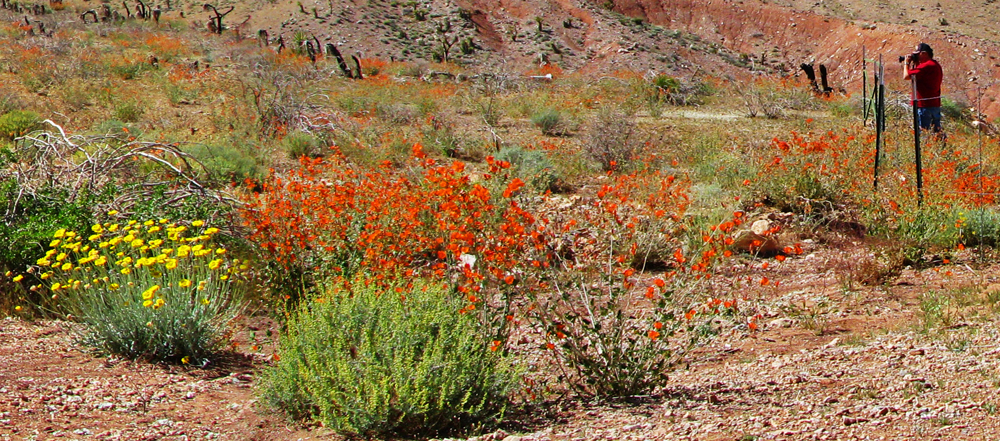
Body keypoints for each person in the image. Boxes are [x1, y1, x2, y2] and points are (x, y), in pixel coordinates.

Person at [902, 42, 943, 134]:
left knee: (924, 132)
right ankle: (940, 146)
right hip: (934, 104)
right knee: (936, 131)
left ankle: (926, 147)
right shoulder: (934, 64)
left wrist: (906, 63)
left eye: (917, 54)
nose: (916, 56)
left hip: (924, 105)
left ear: (924, 53)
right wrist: (916, 63)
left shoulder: (926, 66)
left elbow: (906, 76)